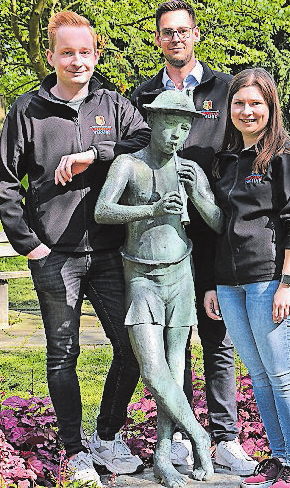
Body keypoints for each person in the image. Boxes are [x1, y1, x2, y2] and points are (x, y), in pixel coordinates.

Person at [0, 11, 151, 484]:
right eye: (67, 52)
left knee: (133, 347)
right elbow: (3, 182)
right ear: (51, 56)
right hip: (54, 253)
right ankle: (74, 449)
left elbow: (143, 139)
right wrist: (30, 245)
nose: (76, 60)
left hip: (108, 251)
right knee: (63, 354)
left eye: (85, 52)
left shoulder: (113, 103)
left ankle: (106, 435)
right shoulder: (27, 111)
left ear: (96, 54)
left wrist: (94, 155)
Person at [132, 0, 257, 476]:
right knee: (172, 343)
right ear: (158, 39)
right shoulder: (145, 94)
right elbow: (128, 145)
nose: (175, 38)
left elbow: (251, 134)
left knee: (217, 337)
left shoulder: (225, 89)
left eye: (183, 31)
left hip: (213, 230)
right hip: (163, 235)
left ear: (196, 35)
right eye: (167, 32)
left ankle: (225, 437)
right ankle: (182, 436)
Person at [95, 89, 223, 488]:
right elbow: (103, 210)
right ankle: (200, 435)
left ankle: (164, 456)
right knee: (152, 370)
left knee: (177, 367)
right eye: (170, 126)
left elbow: (219, 223)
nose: (176, 136)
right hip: (141, 278)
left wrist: (198, 198)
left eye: (184, 128)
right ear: (152, 122)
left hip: (180, 276)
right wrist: (151, 209)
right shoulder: (128, 165)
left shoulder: (190, 170)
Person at [204, 68, 290, 488]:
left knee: (282, 372)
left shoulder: (288, 156)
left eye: (256, 103)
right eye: (239, 103)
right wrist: (213, 284)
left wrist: (288, 283)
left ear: (271, 107)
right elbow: (222, 225)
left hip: (271, 281)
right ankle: (278, 457)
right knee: (260, 373)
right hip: (231, 283)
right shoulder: (227, 160)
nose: (246, 111)